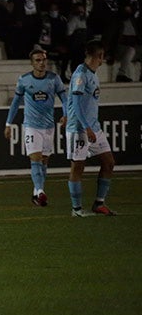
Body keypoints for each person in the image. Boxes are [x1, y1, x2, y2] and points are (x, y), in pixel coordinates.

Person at [4, 46, 67, 206]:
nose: (42, 63)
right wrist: (8, 123)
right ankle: (40, 191)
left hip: (48, 126)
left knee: (44, 161)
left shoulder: (54, 79)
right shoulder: (24, 80)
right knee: (36, 158)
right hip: (31, 126)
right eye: (38, 60)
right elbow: (16, 102)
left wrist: (66, 114)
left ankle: (36, 193)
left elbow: (65, 99)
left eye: (44, 60)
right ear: (32, 63)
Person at [66, 40, 116, 217]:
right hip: (80, 128)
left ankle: (99, 204)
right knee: (78, 167)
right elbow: (78, 104)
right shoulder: (81, 74)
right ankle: (77, 209)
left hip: (94, 128)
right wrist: (86, 127)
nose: (103, 60)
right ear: (100, 56)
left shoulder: (93, 74)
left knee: (109, 162)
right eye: (102, 56)